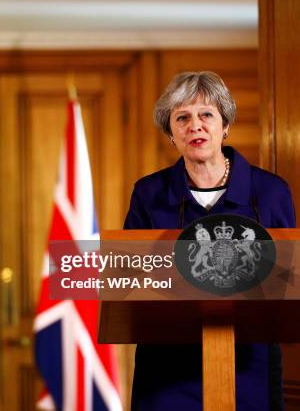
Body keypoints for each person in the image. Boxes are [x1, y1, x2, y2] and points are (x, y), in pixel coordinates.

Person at [124, 71, 295, 410]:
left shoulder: (271, 192)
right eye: (182, 117)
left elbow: (291, 280)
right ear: (170, 132)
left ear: (225, 124)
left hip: (250, 366)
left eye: (206, 115)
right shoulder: (148, 194)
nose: (195, 125)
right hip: (167, 372)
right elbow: (131, 280)